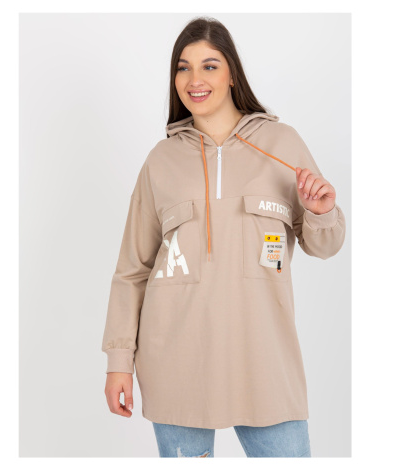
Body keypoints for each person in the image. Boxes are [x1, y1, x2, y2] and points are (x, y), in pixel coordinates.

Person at [102, 17, 346, 458]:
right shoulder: (161, 161)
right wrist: (118, 361)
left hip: (265, 363)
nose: (194, 80)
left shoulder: (281, 143)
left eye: (209, 66)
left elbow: (325, 246)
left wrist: (320, 211)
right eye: (183, 68)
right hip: (176, 366)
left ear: (232, 73)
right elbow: (132, 270)